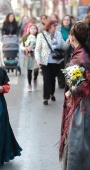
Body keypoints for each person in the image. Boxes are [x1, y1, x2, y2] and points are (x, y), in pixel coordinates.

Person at [59, 22, 90, 170]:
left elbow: (85, 82)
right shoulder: (81, 52)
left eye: (70, 35)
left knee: (78, 138)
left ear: (72, 37)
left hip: (81, 103)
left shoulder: (81, 56)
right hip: (79, 100)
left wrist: (71, 91)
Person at [35, 19, 69, 105]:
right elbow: (37, 49)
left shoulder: (58, 34)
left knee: (53, 78)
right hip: (45, 61)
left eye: (56, 25)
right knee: (46, 79)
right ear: (49, 26)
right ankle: (45, 98)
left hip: (56, 61)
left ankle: (52, 93)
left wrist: (69, 39)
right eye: (54, 25)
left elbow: (64, 47)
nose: (56, 27)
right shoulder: (41, 35)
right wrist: (38, 59)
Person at [22, 24, 39, 91]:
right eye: (31, 28)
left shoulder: (38, 36)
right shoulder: (26, 37)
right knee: (29, 70)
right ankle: (29, 84)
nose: (33, 30)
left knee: (36, 70)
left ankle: (35, 79)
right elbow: (22, 45)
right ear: (29, 29)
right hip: (29, 55)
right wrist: (26, 48)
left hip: (36, 55)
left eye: (34, 28)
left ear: (37, 30)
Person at [58, 15, 72, 89]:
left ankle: (68, 81)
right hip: (61, 50)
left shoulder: (72, 29)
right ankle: (61, 82)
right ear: (62, 21)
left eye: (68, 20)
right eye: (65, 20)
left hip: (70, 50)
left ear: (70, 21)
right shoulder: (59, 29)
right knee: (61, 66)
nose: (66, 21)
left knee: (68, 66)